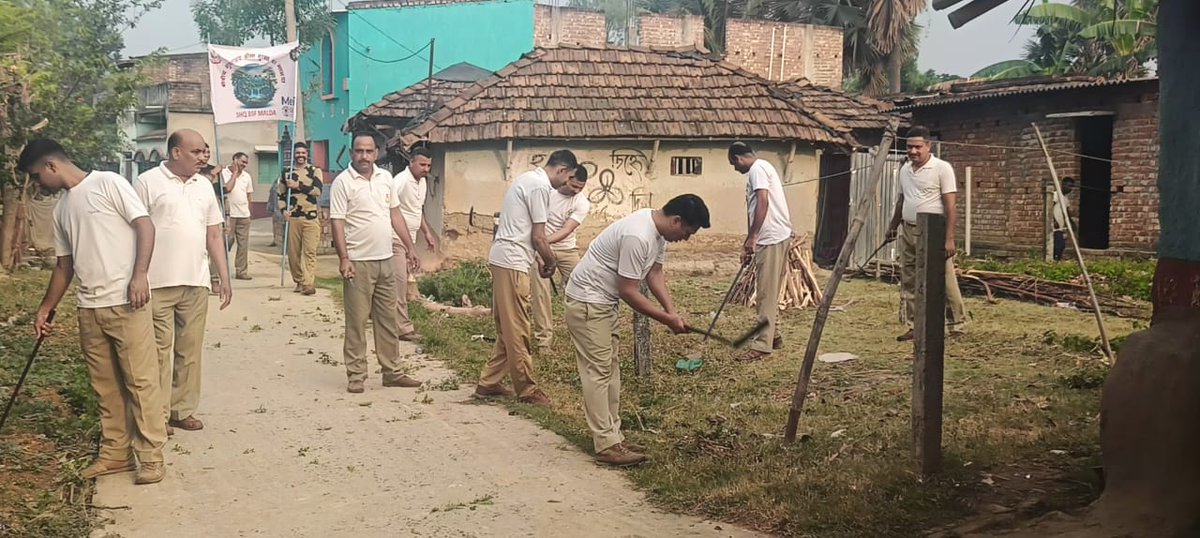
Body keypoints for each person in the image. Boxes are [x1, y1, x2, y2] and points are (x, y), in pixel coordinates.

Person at [24, 139, 168, 485]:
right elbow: (63, 267)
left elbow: (145, 226)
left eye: (36, 176)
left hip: (127, 302)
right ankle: (115, 454)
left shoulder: (109, 183)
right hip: (89, 308)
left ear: (51, 166)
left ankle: (150, 457)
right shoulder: (62, 210)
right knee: (105, 387)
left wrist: (140, 276)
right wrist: (46, 308)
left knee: (140, 381)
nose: (37, 184)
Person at [565, 194, 709, 466]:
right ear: (676, 220)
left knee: (611, 370)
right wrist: (666, 320)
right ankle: (606, 444)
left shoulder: (658, 234)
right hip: (587, 301)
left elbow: (654, 274)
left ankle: (614, 437)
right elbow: (629, 292)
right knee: (598, 372)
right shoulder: (638, 236)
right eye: (687, 232)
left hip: (603, 303)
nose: (686, 239)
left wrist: (671, 311)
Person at [134, 129, 233, 435]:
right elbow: (134, 230)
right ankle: (159, 415)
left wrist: (223, 278)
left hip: (196, 280)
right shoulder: (147, 183)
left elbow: (214, 234)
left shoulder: (204, 186)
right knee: (159, 351)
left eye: (205, 152)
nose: (203, 158)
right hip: (157, 282)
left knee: (190, 350)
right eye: (196, 152)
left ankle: (182, 409)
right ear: (176, 153)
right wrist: (137, 276)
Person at [473, 149, 578, 406]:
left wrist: (540, 258)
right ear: (562, 170)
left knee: (507, 328)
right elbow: (539, 236)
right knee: (518, 327)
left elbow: (526, 232)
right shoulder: (540, 187)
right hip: (512, 262)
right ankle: (528, 390)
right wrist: (551, 261)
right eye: (567, 178)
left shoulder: (528, 179)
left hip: (507, 257)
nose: (565, 185)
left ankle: (488, 383)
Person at [329, 133, 423, 394]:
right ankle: (356, 374)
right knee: (357, 322)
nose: (364, 156)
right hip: (358, 263)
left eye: (369, 151)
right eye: (359, 151)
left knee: (387, 320)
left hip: (386, 259)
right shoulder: (343, 183)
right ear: (351, 154)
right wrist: (344, 258)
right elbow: (337, 221)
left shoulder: (386, 179)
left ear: (376, 153)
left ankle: (392, 371)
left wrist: (410, 247)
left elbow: (395, 213)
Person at [885, 125, 967, 341]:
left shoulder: (942, 168)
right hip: (909, 229)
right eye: (909, 147)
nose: (913, 152)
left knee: (944, 277)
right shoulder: (905, 170)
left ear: (928, 145)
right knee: (910, 277)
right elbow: (902, 200)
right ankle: (914, 325)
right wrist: (893, 226)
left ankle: (956, 325)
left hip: (934, 231)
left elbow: (950, 206)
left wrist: (949, 238)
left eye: (918, 147)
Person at [728, 142, 793, 363]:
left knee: (764, 294)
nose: (735, 169)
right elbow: (755, 208)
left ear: (738, 158)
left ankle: (762, 347)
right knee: (769, 290)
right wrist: (749, 241)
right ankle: (774, 337)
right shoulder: (764, 167)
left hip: (771, 238)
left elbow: (763, 201)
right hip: (772, 237)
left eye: (733, 165)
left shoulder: (756, 170)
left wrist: (754, 237)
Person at [530, 165, 590, 352]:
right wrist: (539, 247)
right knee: (541, 294)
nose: (577, 191)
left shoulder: (582, 202)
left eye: (581, 187)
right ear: (566, 179)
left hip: (566, 249)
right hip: (540, 250)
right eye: (574, 186)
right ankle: (544, 341)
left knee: (583, 289)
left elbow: (566, 230)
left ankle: (586, 335)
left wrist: (540, 241)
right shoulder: (547, 192)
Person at [390, 146, 438, 340]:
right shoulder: (399, 181)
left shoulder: (423, 182)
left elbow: (418, 211)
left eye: (428, 165)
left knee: (397, 282)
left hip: (411, 237)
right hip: (394, 237)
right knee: (400, 283)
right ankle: (403, 329)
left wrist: (427, 233)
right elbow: (390, 209)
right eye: (422, 164)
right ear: (411, 162)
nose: (425, 169)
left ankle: (377, 314)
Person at [279, 142, 324, 295]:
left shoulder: (314, 171)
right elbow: (281, 195)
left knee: (310, 252)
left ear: (307, 154)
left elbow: (317, 191)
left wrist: (298, 186)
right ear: (293, 155)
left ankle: (308, 283)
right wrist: (283, 210)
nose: (300, 156)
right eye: (297, 153)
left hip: (310, 218)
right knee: (293, 253)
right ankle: (298, 280)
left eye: (303, 153)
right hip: (293, 218)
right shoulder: (286, 173)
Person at [221, 152, 254, 280]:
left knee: (243, 244)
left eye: (246, 163)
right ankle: (220, 270)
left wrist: (250, 213)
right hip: (229, 215)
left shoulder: (247, 177)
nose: (244, 165)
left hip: (243, 214)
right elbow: (227, 189)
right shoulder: (223, 173)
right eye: (242, 162)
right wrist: (234, 173)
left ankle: (241, 271)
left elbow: (249, 195)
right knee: (227, 241)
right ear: (234, 160)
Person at [1053, 178, 1076, 261]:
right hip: (1054, 227)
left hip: (1060, 227)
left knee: (1061, 245)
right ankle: (1055, 261)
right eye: (1069, 186)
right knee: (1059, 245)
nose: (1071, 189)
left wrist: (1071, 222)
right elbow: (1049, 208)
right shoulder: (1056, 195)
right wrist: (1054, 220)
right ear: (1063, 185)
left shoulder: (1065, 199)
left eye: (1072, 187)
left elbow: (1066, 212)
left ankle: (1056, 261)